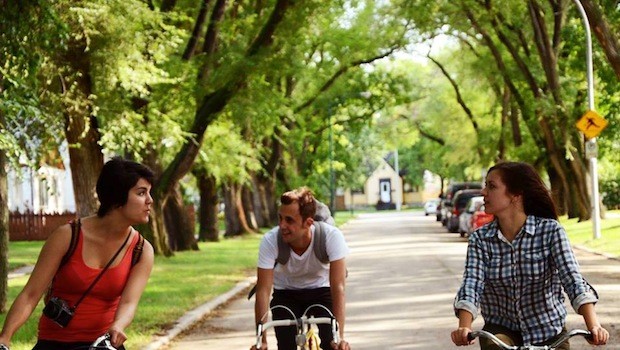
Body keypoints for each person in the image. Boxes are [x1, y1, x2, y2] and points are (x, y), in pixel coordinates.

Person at [0, 157, 155, 350]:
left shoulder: (142, 250)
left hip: (102, 346)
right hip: (54, 344)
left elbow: (129, 303)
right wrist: (4, 339)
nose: (150, 200)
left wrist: (118, 325)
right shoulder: (67, 236)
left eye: (149, 192)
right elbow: (30, 295)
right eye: (141, 193)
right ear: (117, 198)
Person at [451, 161, 609, 349]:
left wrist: (594, 326)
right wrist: (464, 327)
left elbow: (573, 280)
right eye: (486, 186)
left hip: (549, 331)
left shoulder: (551, 231)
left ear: (516, 194)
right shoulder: (480, 239)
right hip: (501, 331)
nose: (484, 192)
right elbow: (472, 284)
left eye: (491, 186)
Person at [251, 187, 350, 350]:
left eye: (289, 220)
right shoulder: (270, 241)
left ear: (308, 223)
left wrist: (340, 338)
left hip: (321, 290)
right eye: (280, 218)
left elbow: (338, 287)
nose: (282, 225)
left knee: (331, 344)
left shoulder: (331, 237)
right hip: (286, 294)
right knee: (286, 345)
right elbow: (263, 290)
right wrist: (261, 340)